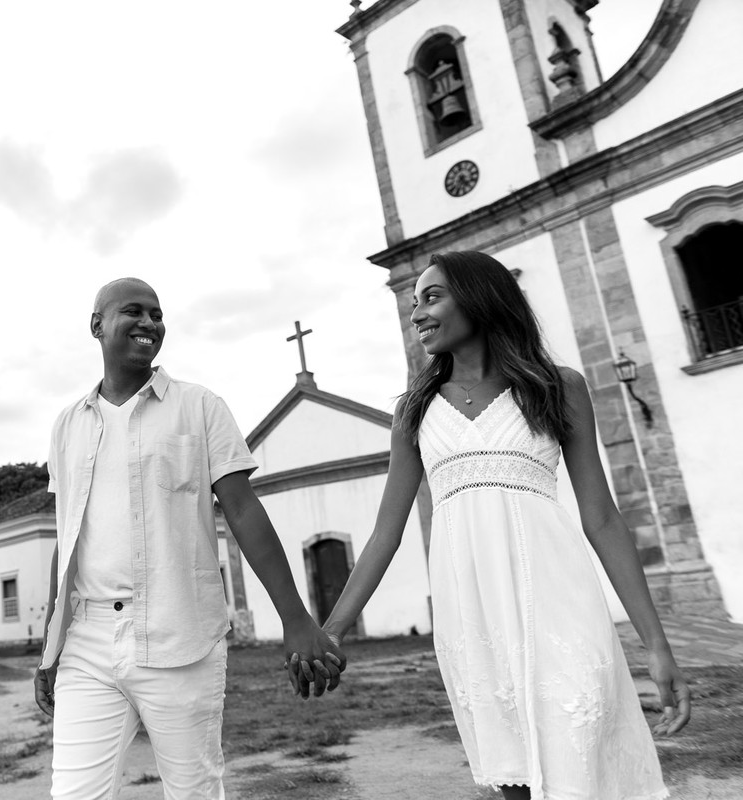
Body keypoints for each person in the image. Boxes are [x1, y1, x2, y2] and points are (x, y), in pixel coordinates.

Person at [320, 251, 690, 799]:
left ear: (480, 298)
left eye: (432, 296)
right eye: (413, 302)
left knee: (580, 749)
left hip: (559, 603)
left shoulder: (558, 386)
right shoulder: (414, 410)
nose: (417, 313)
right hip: (471, 616)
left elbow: (603, 519)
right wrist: (333, 629)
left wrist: (655, 644)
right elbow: (385, 533)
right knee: (511, 773)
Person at [36, 277, 343, 799]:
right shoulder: (68, 425)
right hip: (87, 642)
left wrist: (295, 619)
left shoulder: (199, 406)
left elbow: (243, 511)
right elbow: (68, 540)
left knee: (195, 791)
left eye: (157, 315)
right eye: (133, 311)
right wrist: (51, 645)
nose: (150, 323)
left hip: (181, 636)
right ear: (97, 325)